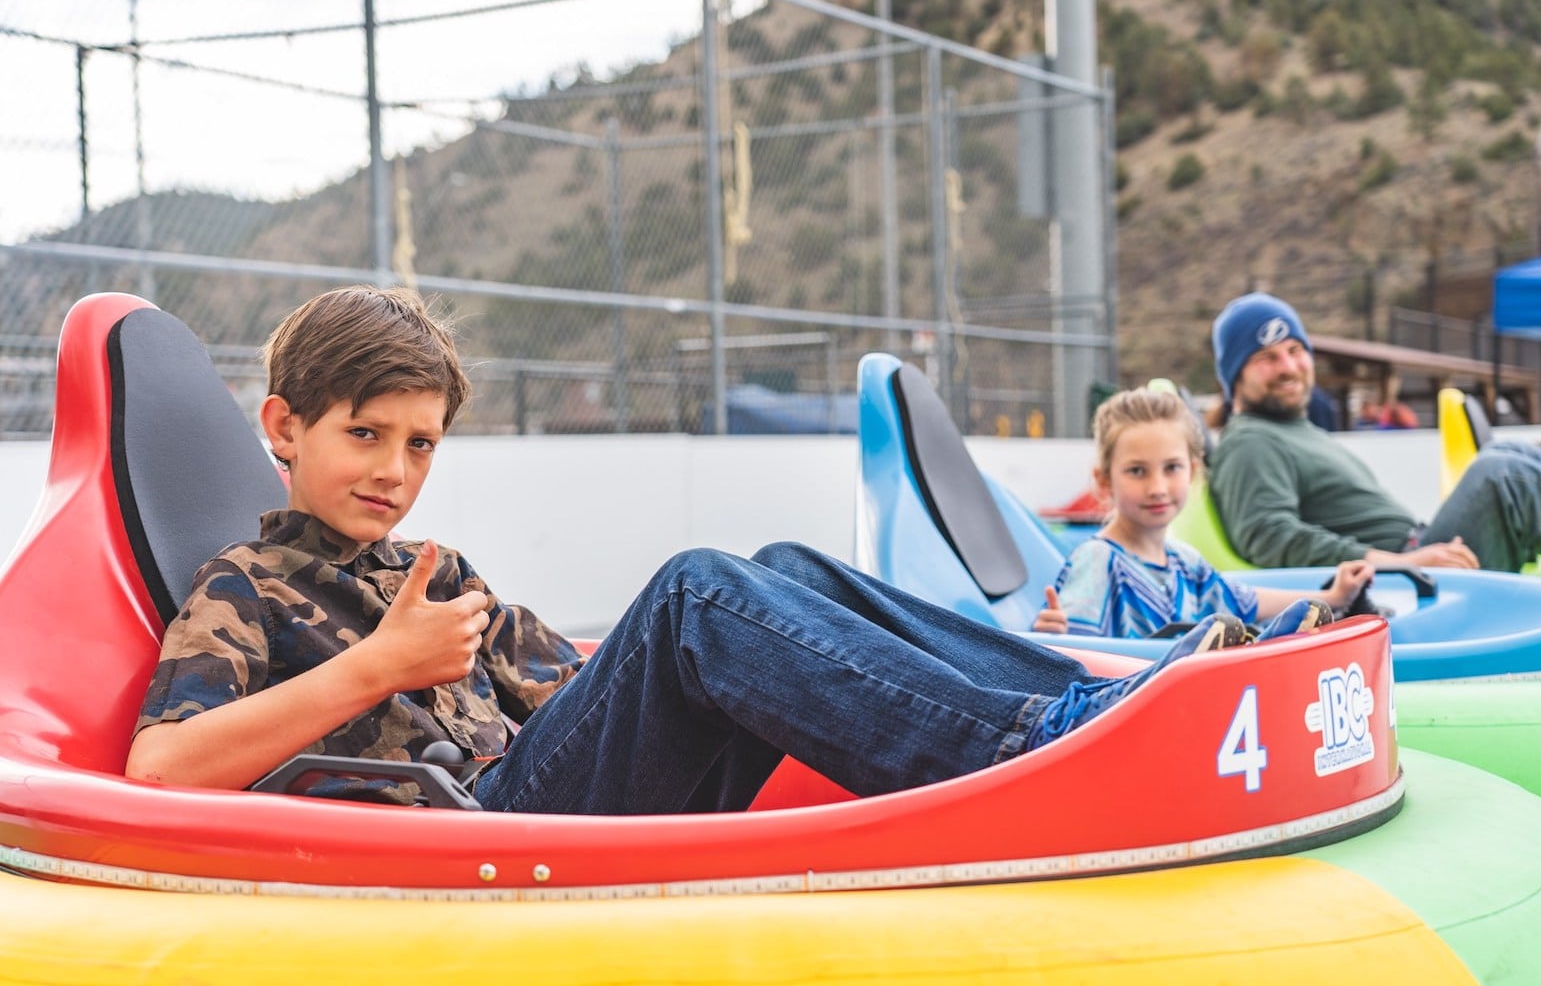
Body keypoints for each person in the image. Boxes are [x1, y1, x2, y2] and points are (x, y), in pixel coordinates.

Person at [126, 285, 1255, 815]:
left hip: (552, 786)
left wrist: (752, 656)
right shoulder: (247, 584)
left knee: (783, 571)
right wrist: (374, 668)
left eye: (419, 443)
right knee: (692, 593)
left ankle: (1090, 699)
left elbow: (581, 694)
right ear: (283, 429)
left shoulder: (439, 576)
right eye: (362, 435)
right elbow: (162, 767)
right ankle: (1032, 751)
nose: (393, 469)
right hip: (479, 833)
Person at [1208, 291, 1541, 573]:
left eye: (1295, 350)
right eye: (1266, 358)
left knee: (1515, 455)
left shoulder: (1294, 430)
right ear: (1234, 375)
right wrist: (1399, 562)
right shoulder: (1250, 440)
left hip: (1417, 556)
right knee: (1502, 475)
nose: (1288, 367)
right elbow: (1268, 537)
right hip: (1404, 583)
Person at [1032, 387, 1371, 638]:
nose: (1158, 487)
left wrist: (1333, 597)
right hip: (1134, 707)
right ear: (1105, 481)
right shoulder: (1098, 560)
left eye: (1172, 468)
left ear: (1192, 473)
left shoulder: (1185, 562)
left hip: (1189, 705)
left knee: (1277, 629)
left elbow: (1247, 601)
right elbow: (1074, 654)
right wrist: (1053, 638)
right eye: (1137, 471)